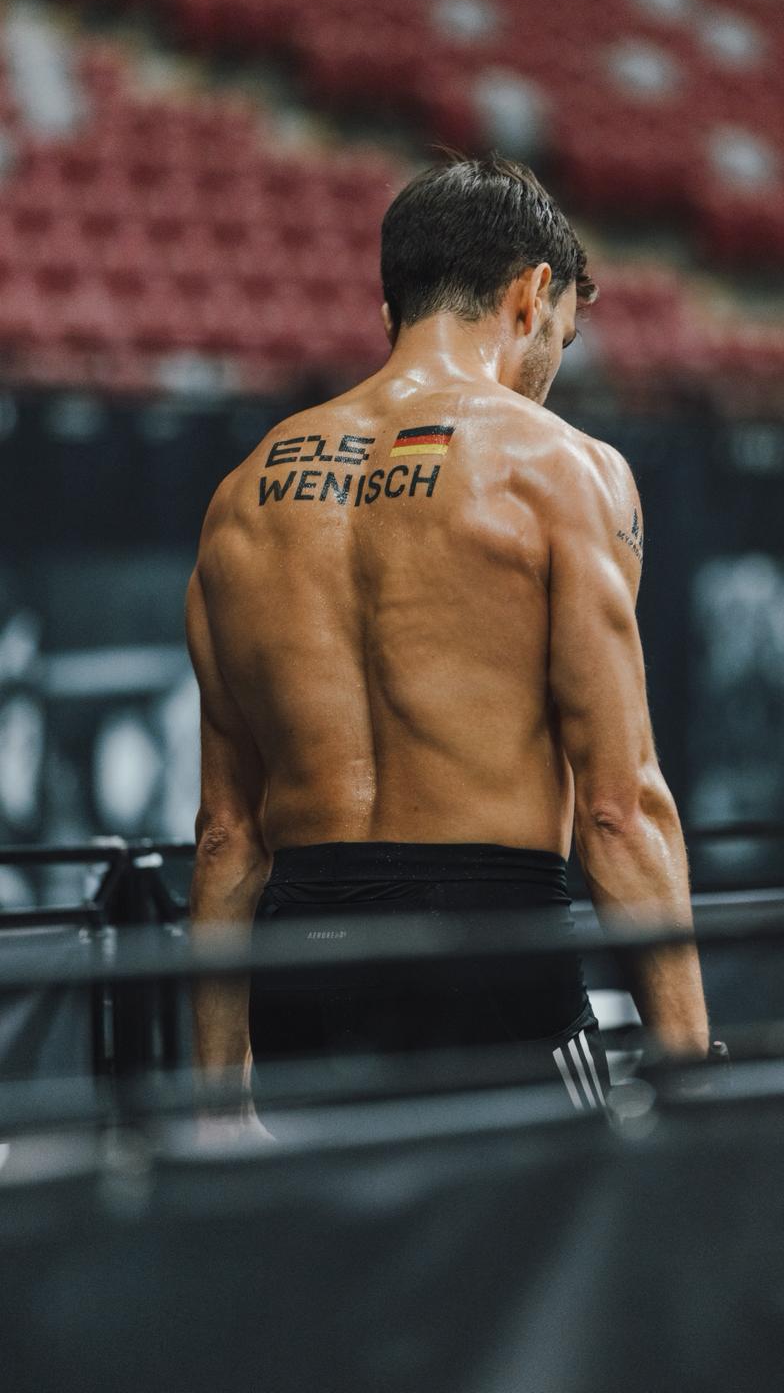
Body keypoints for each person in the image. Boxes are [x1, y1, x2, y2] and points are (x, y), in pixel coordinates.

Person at [186, 155, 712, 1125]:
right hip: (488, 955)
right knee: (554, 1224)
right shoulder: (564, 469)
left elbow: (226, 836)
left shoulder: (243, 495)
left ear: (393, 309)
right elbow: (619, 808)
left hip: (301, 960)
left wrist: (218, 1104)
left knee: (334, 1227)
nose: (552, 365)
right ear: (532, 294)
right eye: (561, 337)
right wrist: (689, 1070)